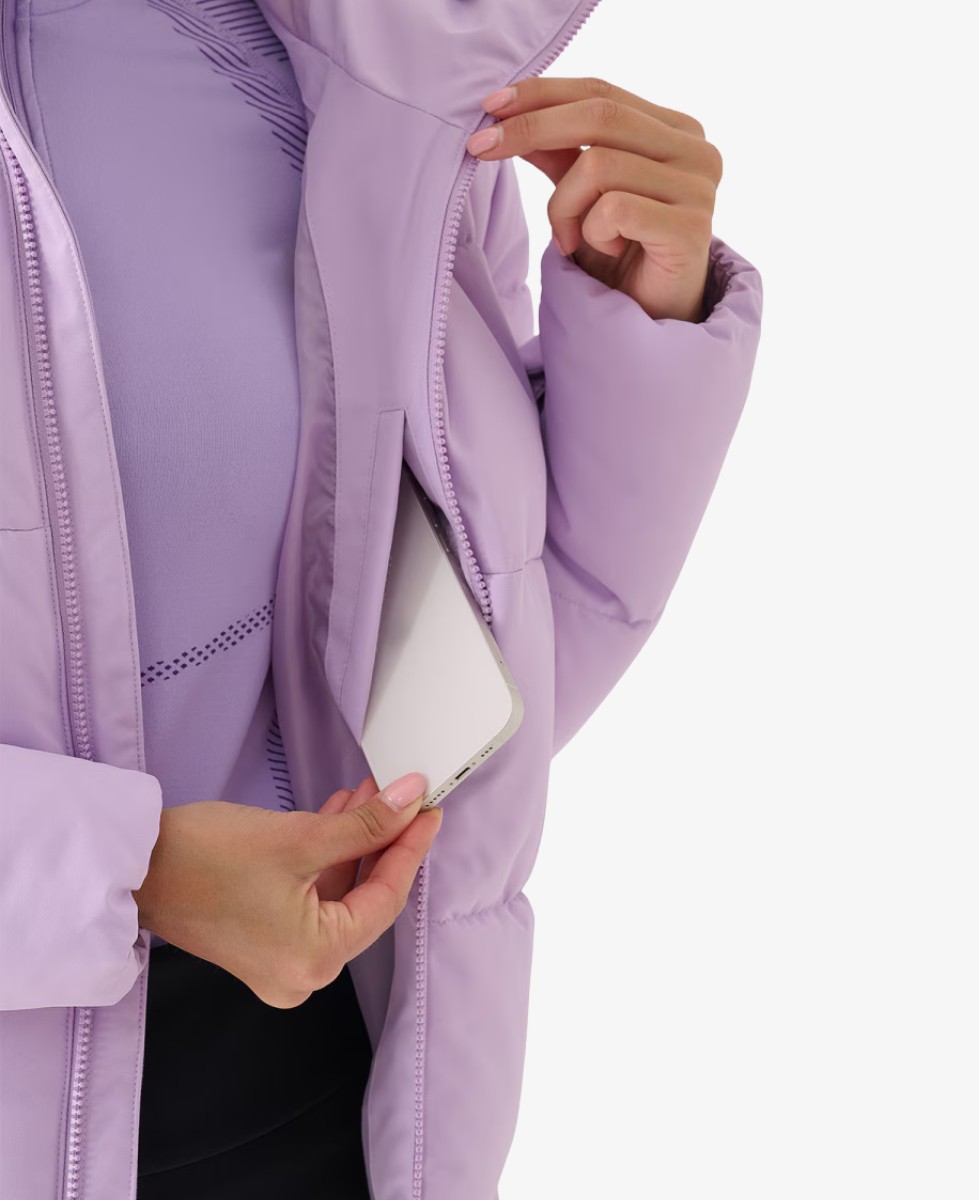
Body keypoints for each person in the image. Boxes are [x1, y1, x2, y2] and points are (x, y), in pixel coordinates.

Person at [0, 0, 764, 1196]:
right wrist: (125, 872)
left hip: (331, 1095)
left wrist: (637, 324)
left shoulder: (371, 63)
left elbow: (477, 687)